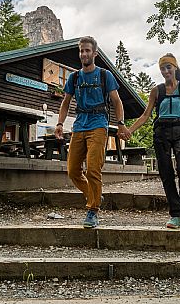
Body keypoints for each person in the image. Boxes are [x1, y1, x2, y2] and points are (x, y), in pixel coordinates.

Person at [54, 36, 130, 228]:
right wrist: (60, 123)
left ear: (94, 53)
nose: (84, 54)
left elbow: (117, 101)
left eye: (87, 50)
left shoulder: (105, 75)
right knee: (72, 170)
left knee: (93, 168)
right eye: (81, 51)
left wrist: (120, 123)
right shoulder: (74, 77)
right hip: (79, 124)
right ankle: (95, 195)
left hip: (98, 124)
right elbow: (66, 102)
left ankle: (93, 210)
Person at [128, 53, 180, 229]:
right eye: (162, 68)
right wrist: (129, 130)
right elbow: (146, 115)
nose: (165, 71)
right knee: (166, 173)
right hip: (161, 133)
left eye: (168, 67)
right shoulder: (157, 91)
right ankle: (176, 214)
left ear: (175, 67)